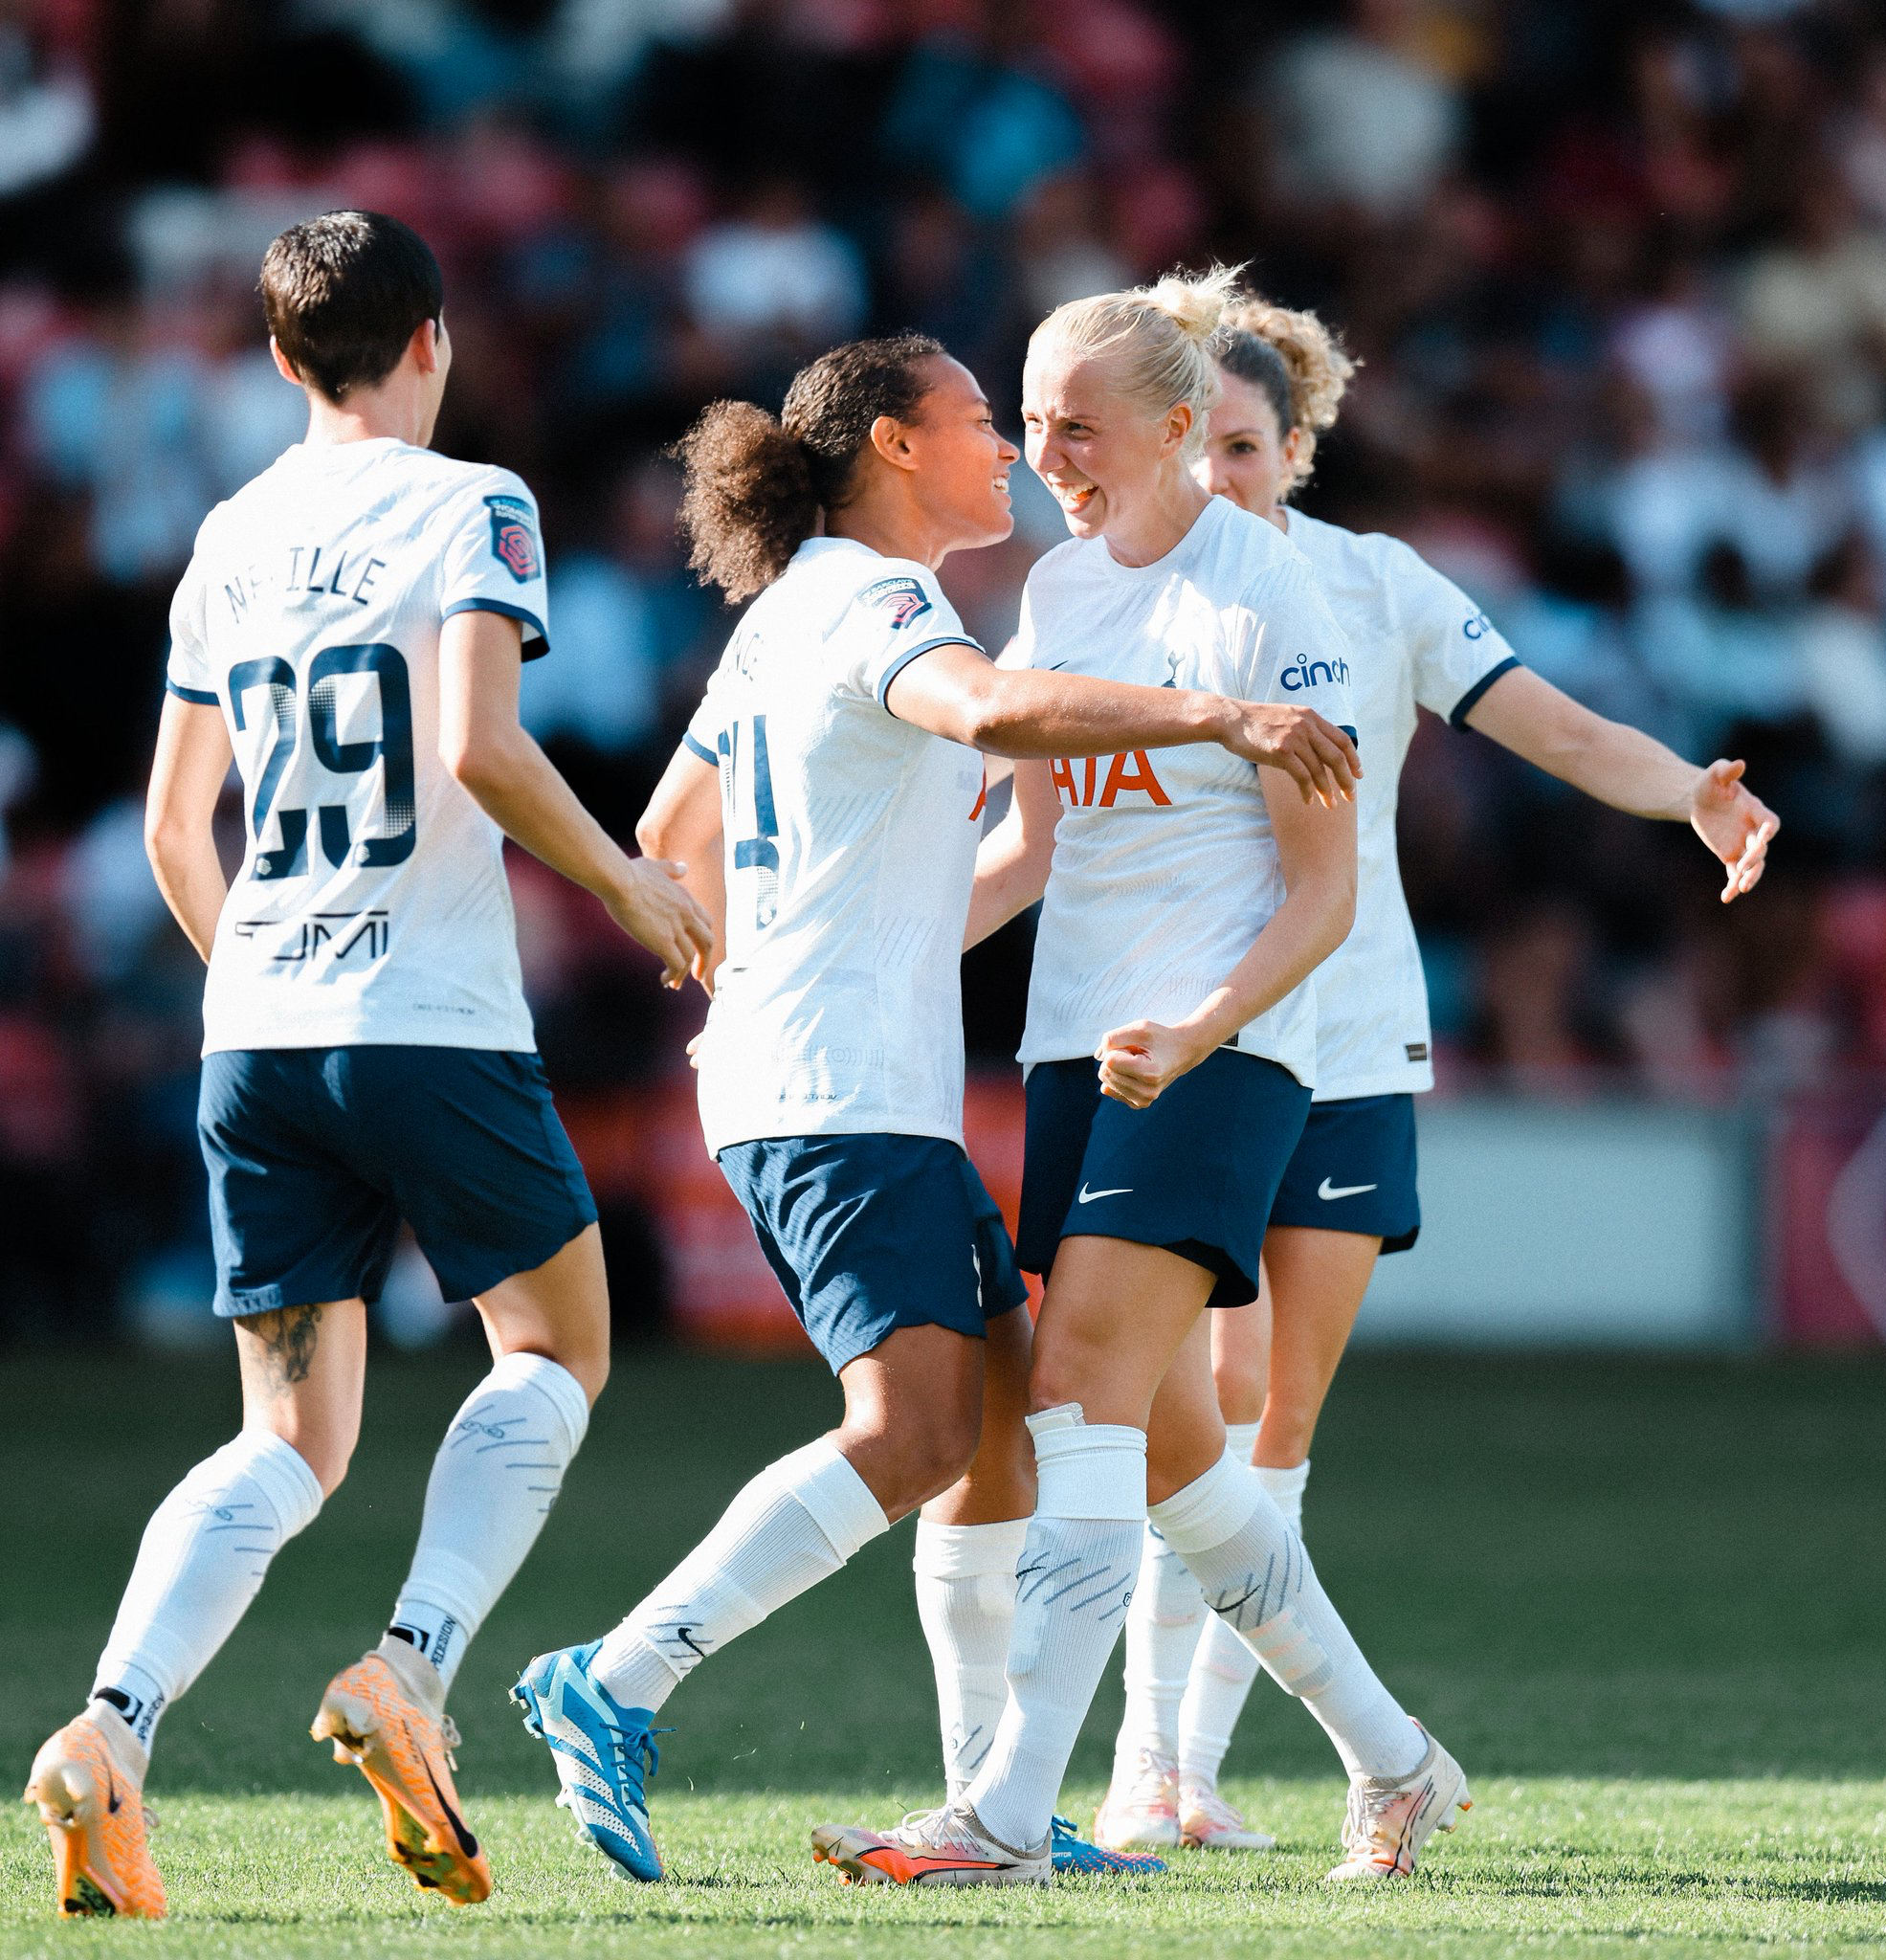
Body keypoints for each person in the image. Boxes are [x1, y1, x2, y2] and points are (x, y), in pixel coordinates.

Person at [509, 334, 1360, 1884]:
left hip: (823, 1071)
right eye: (984, 423)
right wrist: (1213, 716)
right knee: (911, 1430)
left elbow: (667, 831)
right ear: (896, 447)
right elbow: (986, 715)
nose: (1011, 455)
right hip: (838, 1086)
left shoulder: (780, 620)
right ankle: (617, 1678)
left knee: (1006, 1423)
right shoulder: (879, 599)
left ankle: (999, 1812)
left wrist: (738, 942)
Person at [22, 210, 714, 1921]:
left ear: (278, 363)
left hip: (257, 1028)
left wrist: (266, 976)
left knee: (286, 1436)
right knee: (558, 1344)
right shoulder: (475, 502)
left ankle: (112, 1730)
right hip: (432, 1019)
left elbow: (182, 827)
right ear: (435, 340)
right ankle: (411, 1666)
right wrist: (626, 879)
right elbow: (479, 745)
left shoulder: (226, 537)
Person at [1096, 294, 1782, 1856]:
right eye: (1194, 444)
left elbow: (1554, 728)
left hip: (1342, 1034)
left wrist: (1691, 796)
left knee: (1274, 1413)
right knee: (1180, 1406)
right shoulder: (1121, 593)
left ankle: (1183, 1778)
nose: (1221, 475)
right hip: (1191, 1030)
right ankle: (1158, 1768)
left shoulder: (1373, 584)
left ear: (1299, 446)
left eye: (1250, 445)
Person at [810, 266, 1462, 1890]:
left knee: (1076, 1393)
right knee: (1177, 1460)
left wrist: (1200, 1024)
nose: (1048, 456)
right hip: (1076, 1052)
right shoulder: (1060, 601)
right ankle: (1400, 1761)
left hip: (1220, 1057)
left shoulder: (1273, 606)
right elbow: (1031, 850)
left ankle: (1008, 1818)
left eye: (1078, 426)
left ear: (1181, 427)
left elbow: (1327, 896)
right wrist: (868, 964)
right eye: (1029, 426)